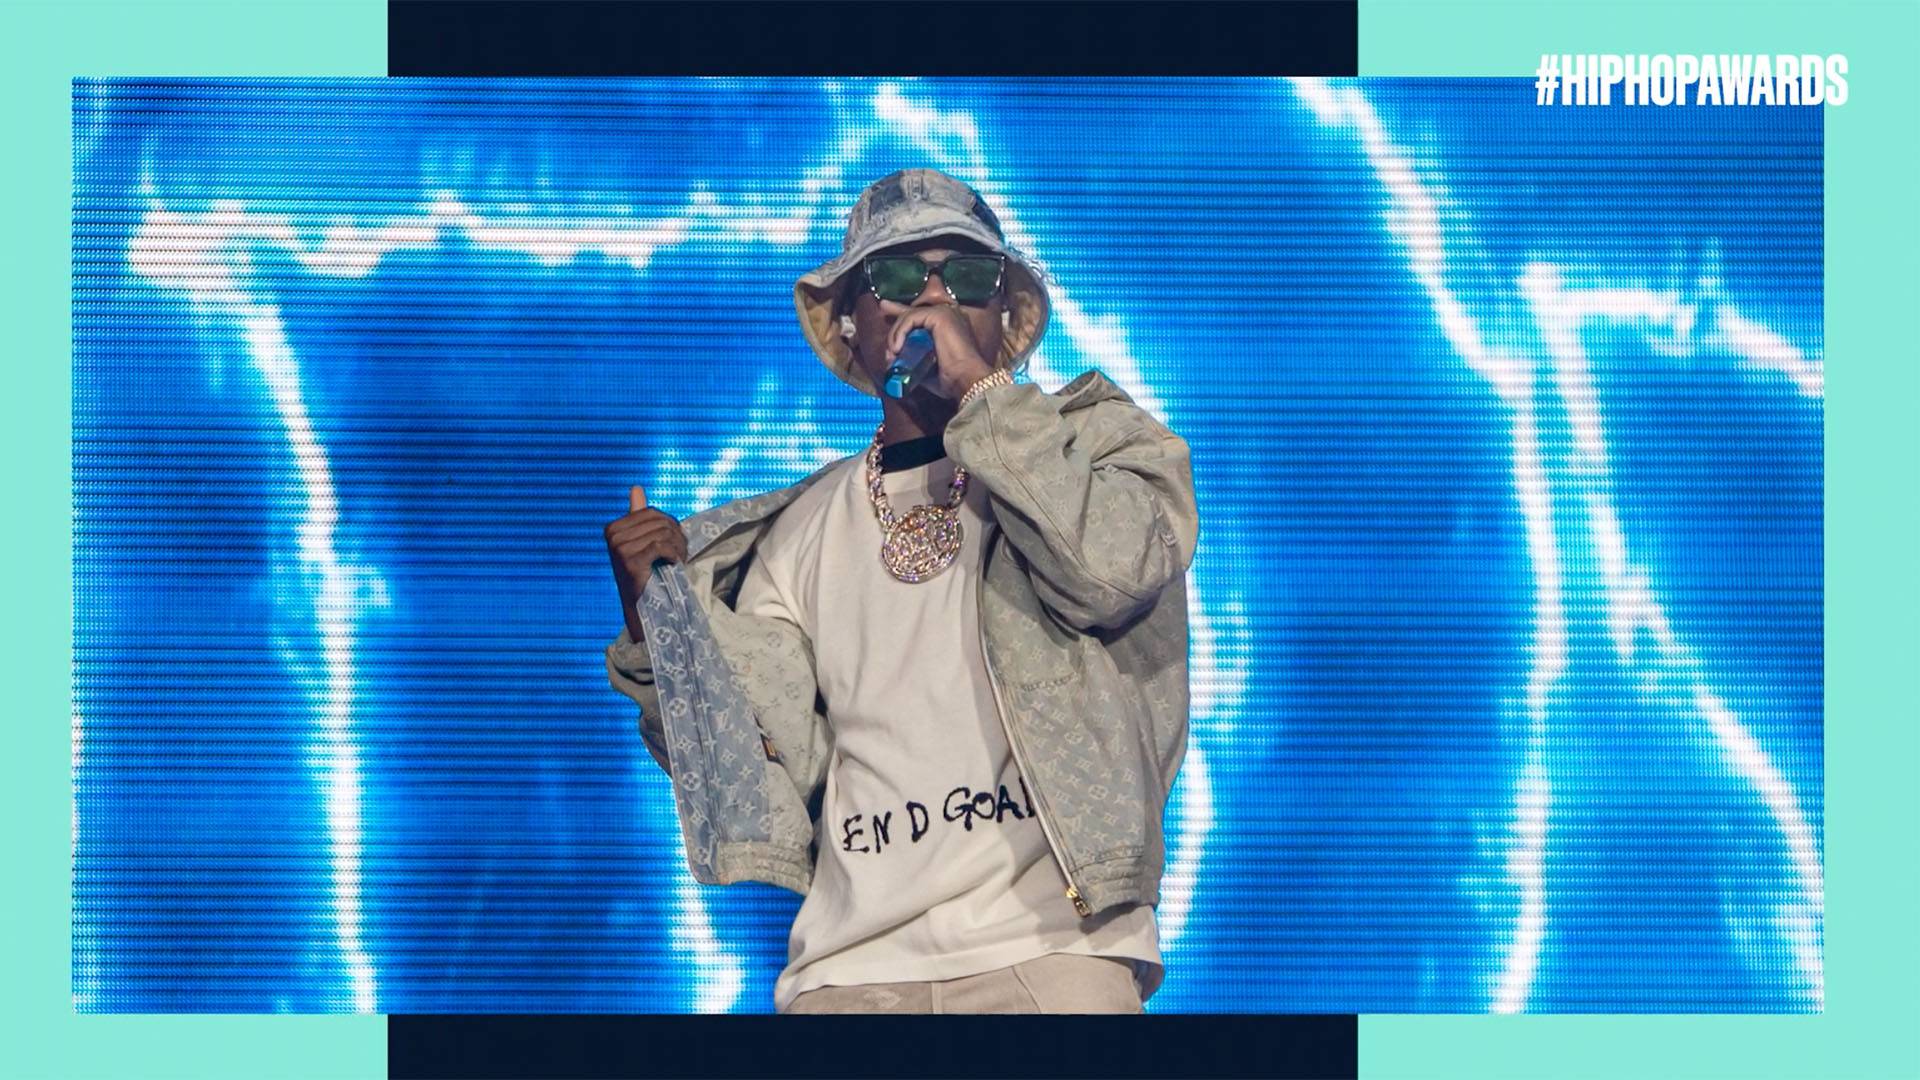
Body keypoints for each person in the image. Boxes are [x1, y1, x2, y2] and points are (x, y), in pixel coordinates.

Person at [603, 168, 1198, 1014]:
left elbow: (1107, 574)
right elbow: (762, 762)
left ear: (1004, 318)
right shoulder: (800, 531)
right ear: (851, 324)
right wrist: (656, 620)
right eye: (895, 276)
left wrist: (983, 396)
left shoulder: (1101, 451)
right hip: (850, 972)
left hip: (1054, 953)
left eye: (967, 277)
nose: (933, 297)